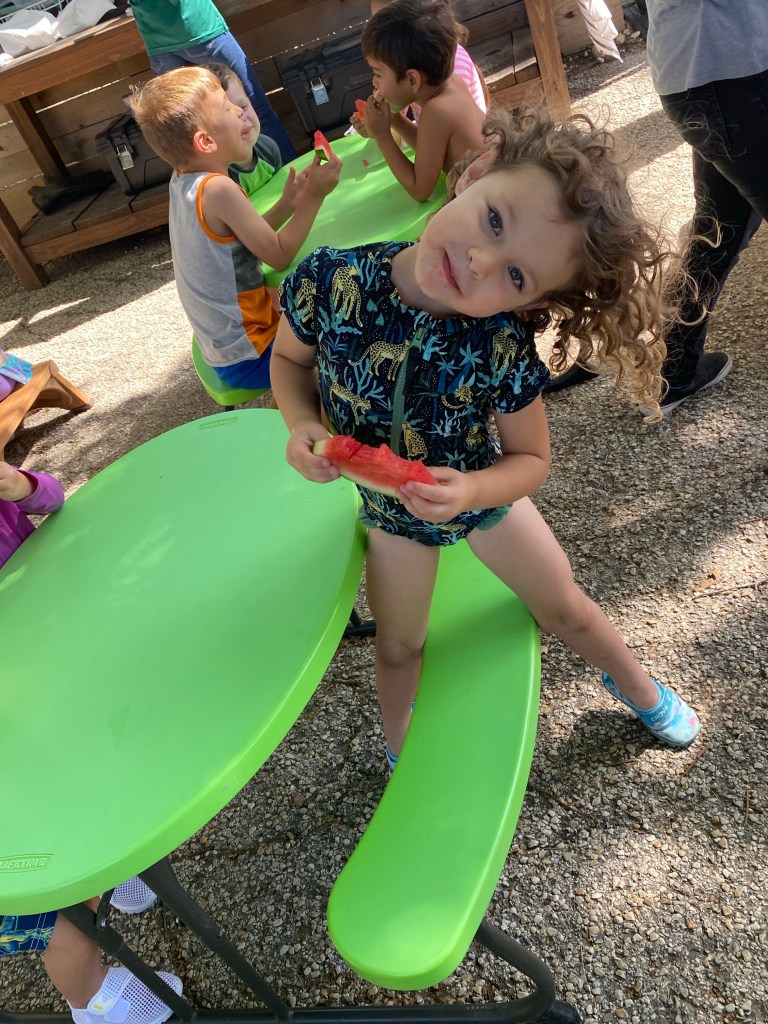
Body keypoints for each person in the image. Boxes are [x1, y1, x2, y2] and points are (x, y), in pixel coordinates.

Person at [270, 105, 701, 773]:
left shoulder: (500, 344)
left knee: (565, 606)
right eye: (495, 220)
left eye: (516, 276)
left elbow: (530, 461)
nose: (478, 261)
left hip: (481, 497)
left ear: (529, 303)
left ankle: (636, 686)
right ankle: (400, 742)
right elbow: (288, 363)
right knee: (398, 646)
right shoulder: (329, 282)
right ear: (474, 174)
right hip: (391, 513)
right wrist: (302, 423)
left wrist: (472, 489)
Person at [0, 463, 182, 1024]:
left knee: (76, 785)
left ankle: (103, 866)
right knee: (65, 921)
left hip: (37, 681)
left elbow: (54, 499)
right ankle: (94, 1004)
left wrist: (25, 486)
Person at [547, 0, 768, 416]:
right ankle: (674, 369)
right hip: (733, 67)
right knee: (718, 227)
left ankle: (675, 370)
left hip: (700, 71)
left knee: (719, 228)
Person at [128, 67, 341, 393]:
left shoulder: (183, 180)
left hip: (226, 352)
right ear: (205, 141)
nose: (239, 110)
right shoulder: (219, 190)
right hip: (255, 353)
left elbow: (242, 240)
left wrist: (288, 204)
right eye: (227, 107)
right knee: (346, 337)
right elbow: (279, 255)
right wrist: (315, 196)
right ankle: (308, 412)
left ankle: (289, 405)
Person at [129, 0, 297, 163]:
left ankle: (237, 180)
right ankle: (290, 171)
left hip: (157, 41)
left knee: (194, 132)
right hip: (199, 28)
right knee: (252, 110)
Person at [352, 0, 486, 202]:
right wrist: (395, 119)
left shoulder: (437, 111)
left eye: (378, 74)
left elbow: (420, 190)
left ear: (412, 80)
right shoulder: (453, 84)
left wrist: (382, 136)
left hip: (489, 201)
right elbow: (431, 153)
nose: (374, 82)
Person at [369, 0, 489, 116]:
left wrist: (381, 130)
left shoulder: (451, 72)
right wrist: (392, 118)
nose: (379, 40)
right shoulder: (409, 65)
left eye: (387, 30)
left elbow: (435, 130)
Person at [207, 63, 284, 199]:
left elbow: (283, 191)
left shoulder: (268, 148)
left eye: (243, 106)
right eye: (228, 113)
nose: (241, 115)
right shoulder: (220, 180)